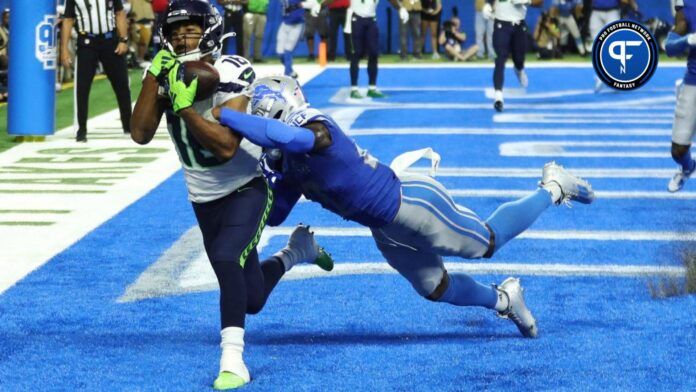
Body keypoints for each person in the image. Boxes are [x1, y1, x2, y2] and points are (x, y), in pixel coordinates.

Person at [216, 75, 597, 339]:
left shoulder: (314, 127)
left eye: (259, 116)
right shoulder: (289, 160)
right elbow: (277, 214)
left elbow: (293, 137)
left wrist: (227, 116)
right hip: (383, 229)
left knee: (486, 242)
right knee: (435, 287)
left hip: (409, 202)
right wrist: (271, 175)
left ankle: (552, 186)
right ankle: (504, 298)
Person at [130, 1, 333, 389]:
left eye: (189, 28)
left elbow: (225, 147)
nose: (180, 36)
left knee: (226, 259)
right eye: (174, 31)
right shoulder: (166, 70)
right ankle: (296, 252)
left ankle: (232, 361)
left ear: (209, 28)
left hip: (247, 188)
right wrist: (154, 78)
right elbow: (139, 134)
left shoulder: (232, 68)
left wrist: (186, 109)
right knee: (251, 297)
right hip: (203, 198)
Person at [61, 0, 133, 142]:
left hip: (110, 41)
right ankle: (81, 130)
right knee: (82, 88)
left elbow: (119, 13)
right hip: (87, 42)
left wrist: (123, 39)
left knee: (122, 85)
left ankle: (128, 126)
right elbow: (68, 19)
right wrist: (63, 49)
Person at [482, 0, 543, 112]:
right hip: (501, 23)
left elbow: (540, 2)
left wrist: (527, 1)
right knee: (500, 58)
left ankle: (519, 69)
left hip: (519, 25)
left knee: (519, 59)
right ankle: (498, 96)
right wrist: (488, 3)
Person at [345, 0, 410, 98]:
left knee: (374, 53)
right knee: (356, 54)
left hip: (371, 20)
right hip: (356, 19)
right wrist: (320, 4)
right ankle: (354, 88)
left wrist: (401, 8)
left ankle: (372, 87)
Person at [665, 0, 696, 192]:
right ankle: (687, 167)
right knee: (678, 150)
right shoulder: (688, 7)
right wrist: (688, 40)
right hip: (694, 81)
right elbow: (669, 47)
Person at [588, 0, 637, 91]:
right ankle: (600, 75)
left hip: (612, 11)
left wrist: (631, 3)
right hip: (596, 11)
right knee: (596, 44)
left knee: (613, 43)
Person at [277, 0, 320, 77]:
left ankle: (287, 73)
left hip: (297, 25)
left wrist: (302, 4)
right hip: (285, 24)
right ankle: (290, 70)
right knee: (280, 52)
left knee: (288, 49)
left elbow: (314, 3)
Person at [129, 0, 156, 67]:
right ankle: (134, 60)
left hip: (147, 16)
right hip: (135, 17)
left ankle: (140, 59)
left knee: (145, 40)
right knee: (134, 40)